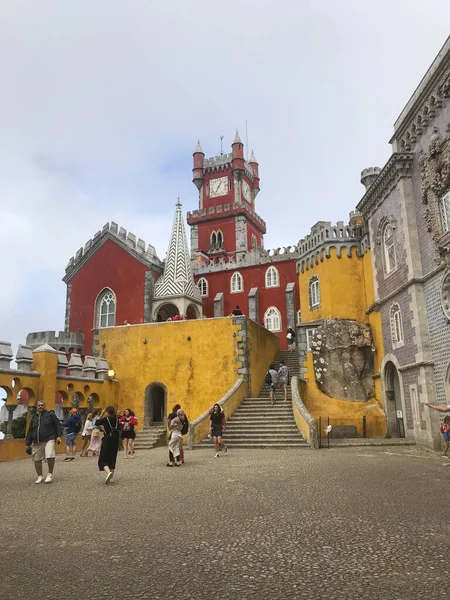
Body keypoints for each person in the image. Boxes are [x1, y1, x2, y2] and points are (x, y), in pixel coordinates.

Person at [25, 400, 62, 484]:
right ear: (37, 407)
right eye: (39, 405)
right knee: (36, 459)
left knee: (49, 454)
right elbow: (30, 430)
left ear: (44, 406)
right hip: (37, 440)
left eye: (42, 405)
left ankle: (50, 474)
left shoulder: (50, 414)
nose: (40, 406)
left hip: (49, 438)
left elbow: (57, 424)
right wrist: (27, 444)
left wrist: (59, 436)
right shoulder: (34, 417)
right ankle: (40, 476)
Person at [96, 406, 120, 484]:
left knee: (103, 459)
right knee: (113, 458)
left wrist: (101, 414)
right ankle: (112, 477)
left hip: (107, 440)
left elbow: (96, 423)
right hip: (115, 441)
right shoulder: (117, 419)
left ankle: (108, 472)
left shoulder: (105, 419)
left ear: (107, 412)